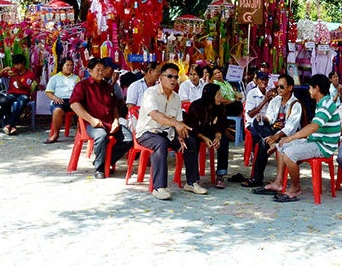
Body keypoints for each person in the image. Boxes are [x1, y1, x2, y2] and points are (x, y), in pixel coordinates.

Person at [257, 74, 341, 203]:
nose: (309, 91)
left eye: (310, 88)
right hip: (315, 141)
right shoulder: (322, 102)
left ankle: (295, 188)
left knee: (289, 154)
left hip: (323, 146)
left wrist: (291, 138)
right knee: (281, 145)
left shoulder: (327, 104)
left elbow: (313, 127)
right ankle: (279, 182)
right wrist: (287, 140)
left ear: (317, 88)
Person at [136, 63, 203, 200]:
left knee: (190, 141)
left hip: (167, 133)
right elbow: (155, 114)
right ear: (161, 78)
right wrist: (176, 124)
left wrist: (180, 134)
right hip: (147, 132)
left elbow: (178, 121)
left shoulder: (176, 97)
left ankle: (191, 182)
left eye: (176, 77)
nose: (173, 80)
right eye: (170, 76)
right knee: (160, 143)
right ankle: (159, 187)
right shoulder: (151, 93)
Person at [69, 58, 133, 179]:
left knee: (129, 138)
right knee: (101, 135)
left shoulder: (107, 86)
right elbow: (74, 104)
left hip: (109, 122)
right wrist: (91, 119)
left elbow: (113, 106)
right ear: (89, 71)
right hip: (90, 124)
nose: (100, 73)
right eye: (97, 70)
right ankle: (100, 167)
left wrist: (115, 121)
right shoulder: (82, 86)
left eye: (103, 70)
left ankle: (105, 160)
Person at [242, 74, 302, 188]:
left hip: (287, 135)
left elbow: (290, 128)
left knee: (262, 144)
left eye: (281, 87)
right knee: (257, 122)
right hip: (273, 131)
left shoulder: (296, 105)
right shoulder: (276, 100)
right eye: (277, 86)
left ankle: (256, 178)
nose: (278, 89)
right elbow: (270, 117)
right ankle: (272, 145)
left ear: (290, 88)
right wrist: (264, 118)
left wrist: (275, 137)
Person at [184, 83, 229, 188]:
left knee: (224, 141)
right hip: (197, 133)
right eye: (218, 95)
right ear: (210, 96)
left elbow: (222, 124)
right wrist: (203, 138)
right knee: (192, 143)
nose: (221, 97)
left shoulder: (221, 107)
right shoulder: (196, 106)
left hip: (212, 132)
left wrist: (218, 137)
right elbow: (192, 127)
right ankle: (194, 178)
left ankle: (220, 175)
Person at [0, 53, 36, 135]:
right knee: (6, 101)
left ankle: (9, 124)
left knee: (21, 103)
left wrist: (16, 78)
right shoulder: (12, 70)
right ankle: (12, 126)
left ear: (23, 63)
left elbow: (22, 88)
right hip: (12, 93)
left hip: (24, 94)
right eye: (14, 64)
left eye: (18, 64)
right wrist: (4, 69)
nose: (16, 67)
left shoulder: (30, 74)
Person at [43, 57, 79, 143]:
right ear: (62, 66)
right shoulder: (54, 78)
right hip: (60, 100)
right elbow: (48, 92)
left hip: (73, 100)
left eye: (71, 65)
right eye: (67, 65)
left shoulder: (76, 78)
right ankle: (55, 134)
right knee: (57, 110)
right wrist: (55, 98)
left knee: (83, 109)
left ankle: (79, 134)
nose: (69, 67)